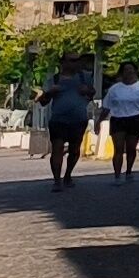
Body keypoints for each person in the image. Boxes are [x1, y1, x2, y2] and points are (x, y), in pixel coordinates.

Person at [44, 62, 94, 190]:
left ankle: (68, 175)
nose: (73, 64)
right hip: (58, 119)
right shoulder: (54, 79)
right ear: (62, 63)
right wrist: (50, 92)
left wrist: (87, 90)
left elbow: (92, 92)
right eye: (70, 60)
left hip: (78, 119)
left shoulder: (84, 77)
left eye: (75, 60)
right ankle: (56, 180)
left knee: (75, 149)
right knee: (57, 148)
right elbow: (44, 101)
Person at [102, 63, 139, 181]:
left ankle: (129, 171)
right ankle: (117, 175)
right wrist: (99, 121)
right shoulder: (114, 89)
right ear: (122, 72)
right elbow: (106, 107)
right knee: (118, 148)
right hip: (118, 119)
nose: (129, 72)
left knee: (131, 148)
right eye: (126, 70)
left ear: (135, 71)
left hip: (135, 118)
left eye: (131, 69)